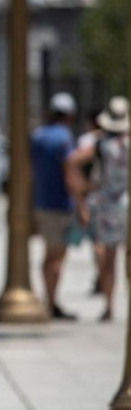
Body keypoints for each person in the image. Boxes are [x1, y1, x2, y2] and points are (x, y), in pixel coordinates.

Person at [67, 96, 130, 322]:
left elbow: (73, 161)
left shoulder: (101, 145)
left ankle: (109, 305)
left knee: (109, 259)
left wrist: (83, 192)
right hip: (126, 201)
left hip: (108, 203)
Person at [31, 92, 78, 321]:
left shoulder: (39, 136)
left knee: (48, 255)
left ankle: (48, 299)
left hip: (41, 202)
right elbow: (69, 172)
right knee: (58, 257)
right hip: (60, 204)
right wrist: (81, 202)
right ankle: (51, 302)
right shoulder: (65, 138)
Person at [75, 110, 104, 296]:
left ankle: (102, 277)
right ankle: (106, 278)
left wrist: (81, 191)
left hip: (95, 197)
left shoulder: (89, 141)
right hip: (119, 199)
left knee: (98, 243)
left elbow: (73, 162)